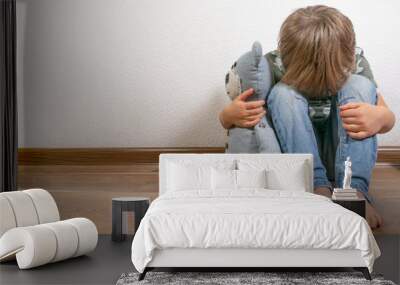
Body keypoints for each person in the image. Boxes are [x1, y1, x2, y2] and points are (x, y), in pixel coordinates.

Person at [219, 5, 395, 229]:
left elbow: (388, 118)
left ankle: (353, 192)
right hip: (298, 153)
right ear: (285, 56)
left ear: (349, 56)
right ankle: (316, 188)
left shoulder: (356, 64)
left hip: (339, 151)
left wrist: (379, 117)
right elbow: (230, 123)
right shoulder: (273, 65)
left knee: (360, 85)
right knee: (283, 93)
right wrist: (228, 115)